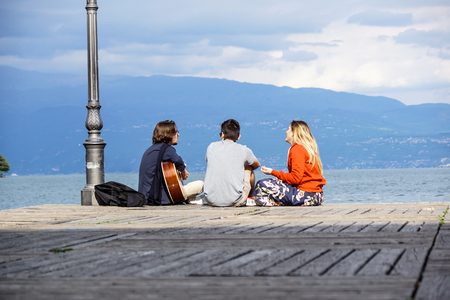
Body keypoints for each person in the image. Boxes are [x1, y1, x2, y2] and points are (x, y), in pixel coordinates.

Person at [253, 120, 326, 206]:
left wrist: (273, 172)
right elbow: (299, 177)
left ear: (293, 133)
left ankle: (266, 203)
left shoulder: (297, 149)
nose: (286, 131)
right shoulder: (307, 149)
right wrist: (283, 178)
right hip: (316, 196)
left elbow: (296, 178)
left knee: (262, 184)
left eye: (288, 129)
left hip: (305, 195)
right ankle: (272, 202)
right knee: (276, 185)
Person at [138, 120, 203, 205]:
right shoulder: (166, 149)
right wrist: (183, 171)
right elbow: (178, 161)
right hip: (160, 198)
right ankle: (189, 199)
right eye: (176, 132)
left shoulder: (150, 150)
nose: (178, 135)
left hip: (146, 197)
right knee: (201, 185)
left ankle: (189, 199)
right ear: (169, 134)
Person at [204, 119, 261, 207]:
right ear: (238, 136)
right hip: (234, 201)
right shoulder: (244, 150)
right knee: (249, 166)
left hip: (211, 200)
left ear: (222, 134)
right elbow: (257, 164)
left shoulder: (211, 147)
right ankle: (249, 198)